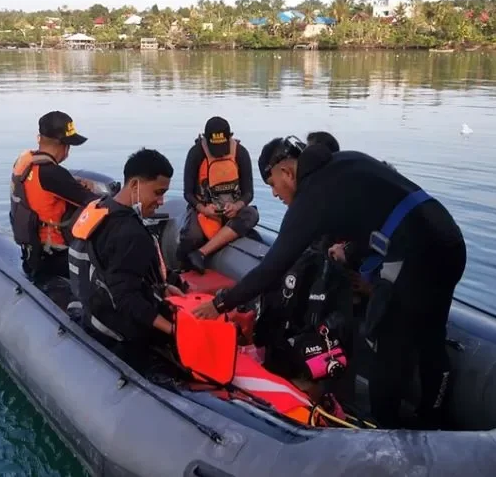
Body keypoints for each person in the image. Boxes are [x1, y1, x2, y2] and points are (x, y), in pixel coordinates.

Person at [191, 134, 467, 429]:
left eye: (272, 184)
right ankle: (435, 420)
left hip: (417, 254)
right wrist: (350, 250)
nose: (274, 194)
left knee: (387, 342)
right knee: (432, 338)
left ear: (286, 171)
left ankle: (386, 433)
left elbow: (273, 267)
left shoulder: (312, 196)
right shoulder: (348, 160)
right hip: (449, 239)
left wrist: (220, 303)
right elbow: (380, 212)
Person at [66, 148, 184, 351]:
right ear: (135, 184)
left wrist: (162, 287)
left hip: (94, 311)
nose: (161, 201)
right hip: (117, 328)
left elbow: (113, 268)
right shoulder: (131, 234)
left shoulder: (101, 208)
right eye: (158, 192)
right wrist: (173, 330)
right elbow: (126, 298)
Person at [10, 111, 100, 281]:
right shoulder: (53, 174)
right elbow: (96, 203)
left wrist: (72, 183)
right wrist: (94, 188)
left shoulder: (26, 161)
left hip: (33, 254)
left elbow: (45, 189)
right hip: (56, 259)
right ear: (63, 145)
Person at [177, 116, 259, 274]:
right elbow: (188, 193)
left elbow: (249, 192)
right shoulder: (196, 153)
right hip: (205, 210)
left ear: (230, 137)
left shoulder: (241, 153)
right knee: (191, 237)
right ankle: (183, 265)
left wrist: (237, 206)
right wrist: (203, 209)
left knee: (252, 214)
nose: (220, 154)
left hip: (231, 210)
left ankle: (202, 253)